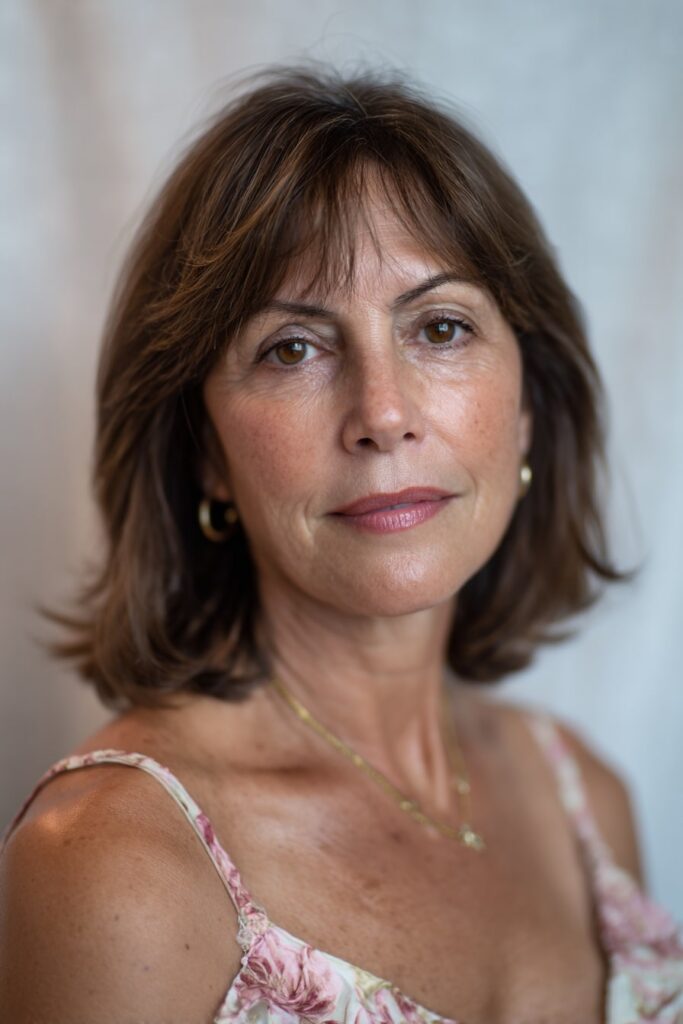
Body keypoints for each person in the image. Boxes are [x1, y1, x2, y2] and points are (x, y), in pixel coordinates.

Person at [0, 63, 681, 1024]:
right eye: (293, 348)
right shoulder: (114, 863)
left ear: (527, 407)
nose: (383, 412)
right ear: (206, 455)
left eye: (440, 328)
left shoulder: (589, 806)